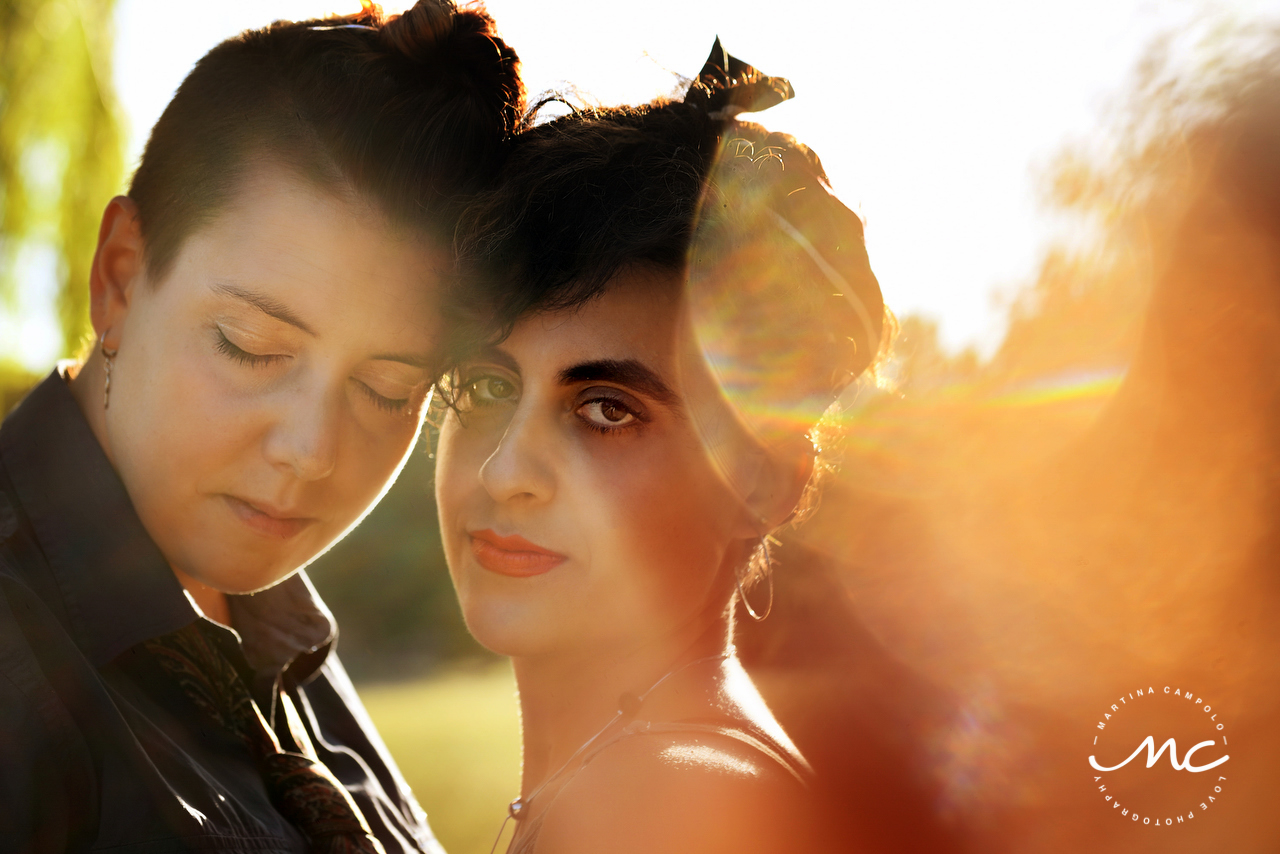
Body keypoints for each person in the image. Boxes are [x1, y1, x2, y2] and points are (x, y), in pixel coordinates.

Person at [0, 2, 523, 850]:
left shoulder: (273, 628)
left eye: (391, 390)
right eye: (249, 348)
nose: (310, 453)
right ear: (121, 279)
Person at [433, 43, 887, 853]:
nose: (505, 474)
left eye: (607, 411)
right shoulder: (653, 780)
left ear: (764, 477)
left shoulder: (651, 809)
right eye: (490, 388)